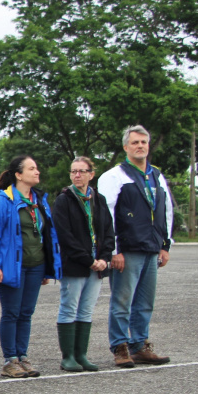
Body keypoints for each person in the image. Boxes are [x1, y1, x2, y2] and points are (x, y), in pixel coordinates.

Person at [97, 125, 173, 367]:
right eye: (135, 142)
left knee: (144, 302)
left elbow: (166, 211)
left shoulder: (156, 176)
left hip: (151, 248)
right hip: (127, 249)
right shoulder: (114, 176)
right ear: (125, 147)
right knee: (122, 300)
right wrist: (114, 249)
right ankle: (120, 346)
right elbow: (105, 215)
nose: (140, 146)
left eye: (144, 142)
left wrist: (165, 245)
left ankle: (140, 345)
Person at [0, 155, 61, 379]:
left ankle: (23, 357)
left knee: (26, 313)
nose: (37, 172)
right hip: (11, 267)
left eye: (37, 168)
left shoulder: (39, 200)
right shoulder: (4, 200)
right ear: (18, 174)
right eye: (32, 169)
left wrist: (47, 268)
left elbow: (47, 233)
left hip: (36, 266)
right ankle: (10, 360)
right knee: (11, 312)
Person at [53, 157, 115, 372]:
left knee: (86, 310)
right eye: (73, 171)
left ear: (91, 174)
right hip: (76, 265)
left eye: (82, 171)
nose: (77, 175)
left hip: (97, 265)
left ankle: (81, 355)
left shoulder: (99, 199)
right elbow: (65, 236)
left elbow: (108, 232)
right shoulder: (64, 200)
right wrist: (88, 261)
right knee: (69, 308)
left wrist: (104, 259)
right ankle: (68, 356)